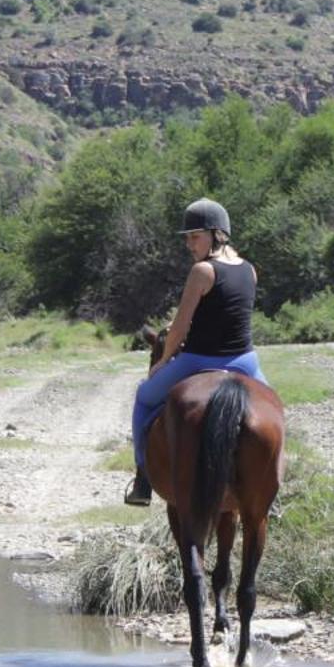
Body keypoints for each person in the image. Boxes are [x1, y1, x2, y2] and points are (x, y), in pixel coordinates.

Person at [125, 198, 267, 507]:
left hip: (199, 360)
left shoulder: (202, 271)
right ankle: (270, 483)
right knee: (273, 410)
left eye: (195, 236)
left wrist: (162, 362)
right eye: (187, 238)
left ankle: (143, 478)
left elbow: (179, 329)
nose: (190, 244)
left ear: (217, 234)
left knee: (144, 397)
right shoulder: (250, 270)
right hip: (245, 361)